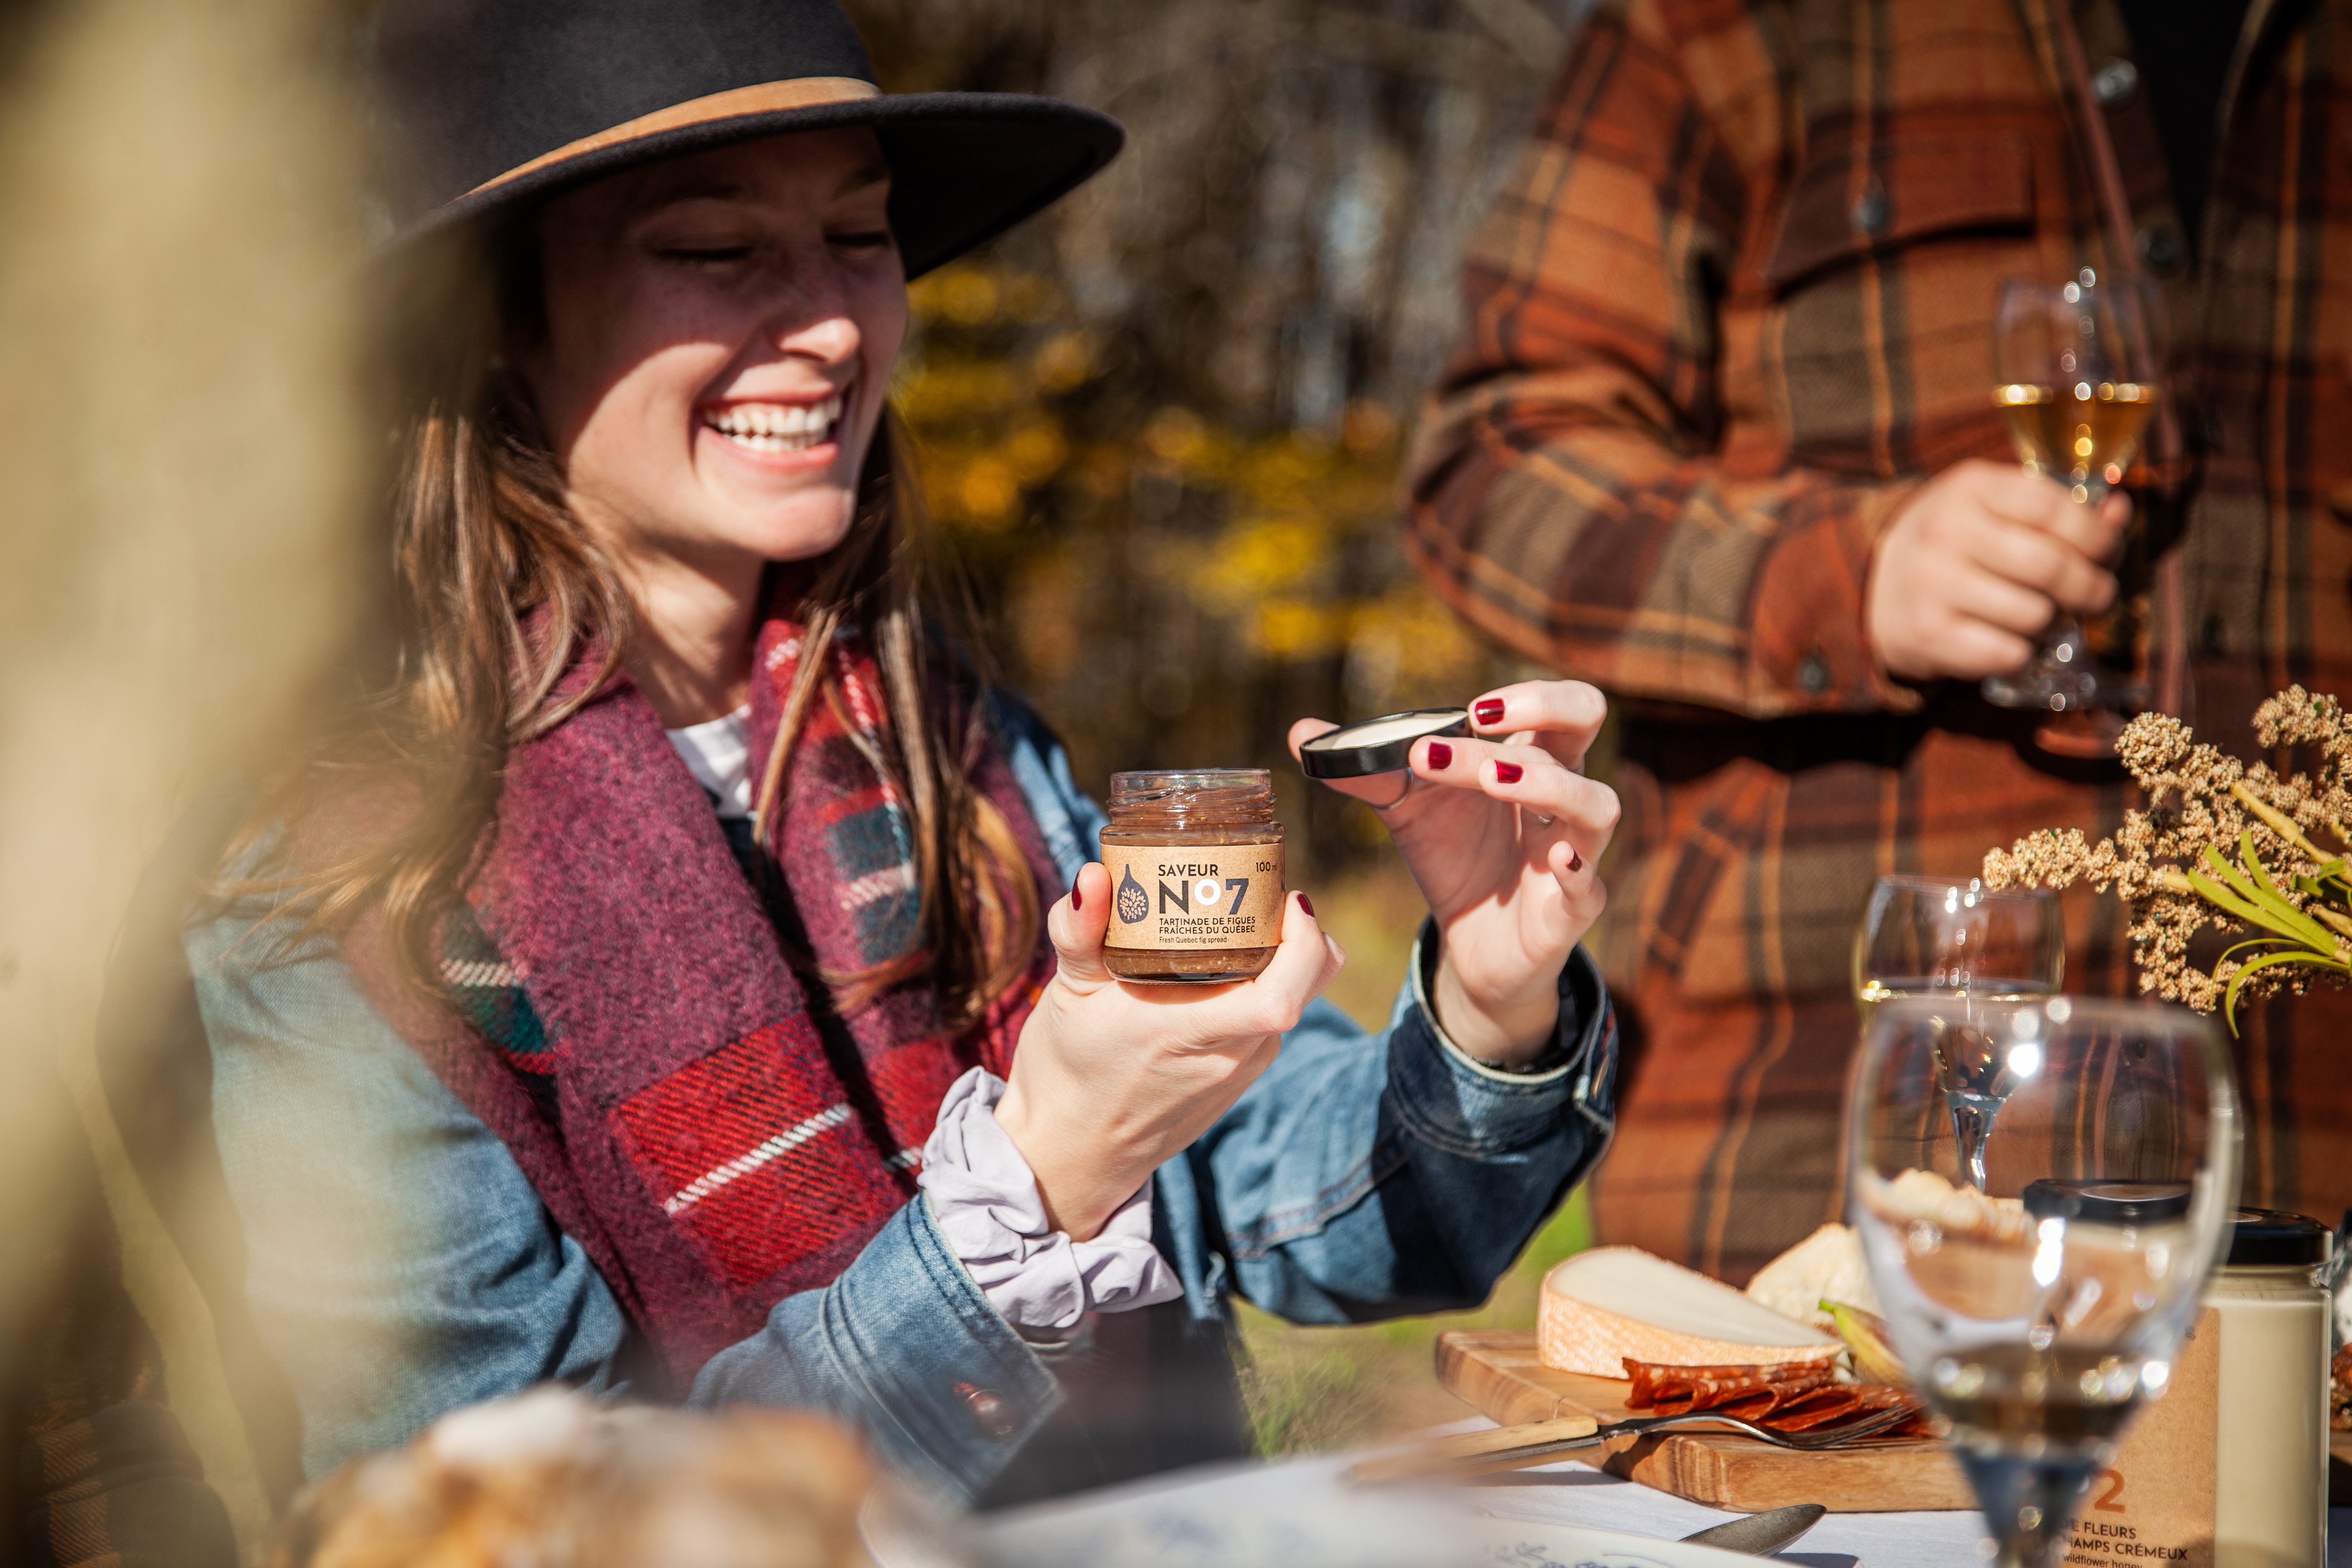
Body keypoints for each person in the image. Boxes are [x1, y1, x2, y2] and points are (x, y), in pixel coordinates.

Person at [181, 0, 1622, 1505]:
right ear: (503, 324)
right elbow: (499, 1525)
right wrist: (1038, 1190)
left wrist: (1487, 1002)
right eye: (716, 250)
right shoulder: (343, 895)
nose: (826, 322)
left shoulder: (960, 748)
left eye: (860, 238)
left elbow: (1294, 1208)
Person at [1407, 0, 2352, 1283]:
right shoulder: (1743, 23)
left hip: (2311, 1173)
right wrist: (1843, 577)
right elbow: (1493, 464)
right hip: (1813, 1150)